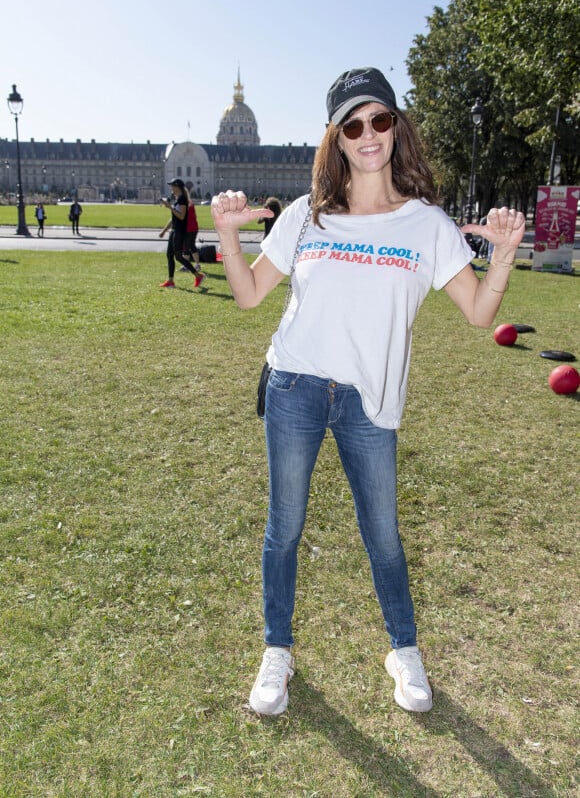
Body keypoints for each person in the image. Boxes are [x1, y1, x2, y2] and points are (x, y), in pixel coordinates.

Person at [211, 67, 525, 718]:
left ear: (396, 127)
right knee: (284, 528)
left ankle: (403, 650)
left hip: (368, 402)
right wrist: (228, 232)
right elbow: (248, 296)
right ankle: (277, 652)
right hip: (295, 383)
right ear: (338, 140)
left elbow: (475, 313)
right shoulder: (306, 215)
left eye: (380, 119)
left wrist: (501, 257)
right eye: (353, 125)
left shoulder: (427, 225)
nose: (369, 134)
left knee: (383, 536)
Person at [159, 178, 205, 288]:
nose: (170, 188)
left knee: (178, 256)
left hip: (179, 231)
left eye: (172, 186)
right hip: (174, 230)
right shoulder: (178, 199)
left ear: (177, 187)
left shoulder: (183, 199)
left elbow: (181, 216)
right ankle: (170, 281)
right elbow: (174, 218)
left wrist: (169, 207)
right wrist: (164, 231)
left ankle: (198, 275)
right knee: (170, 255)